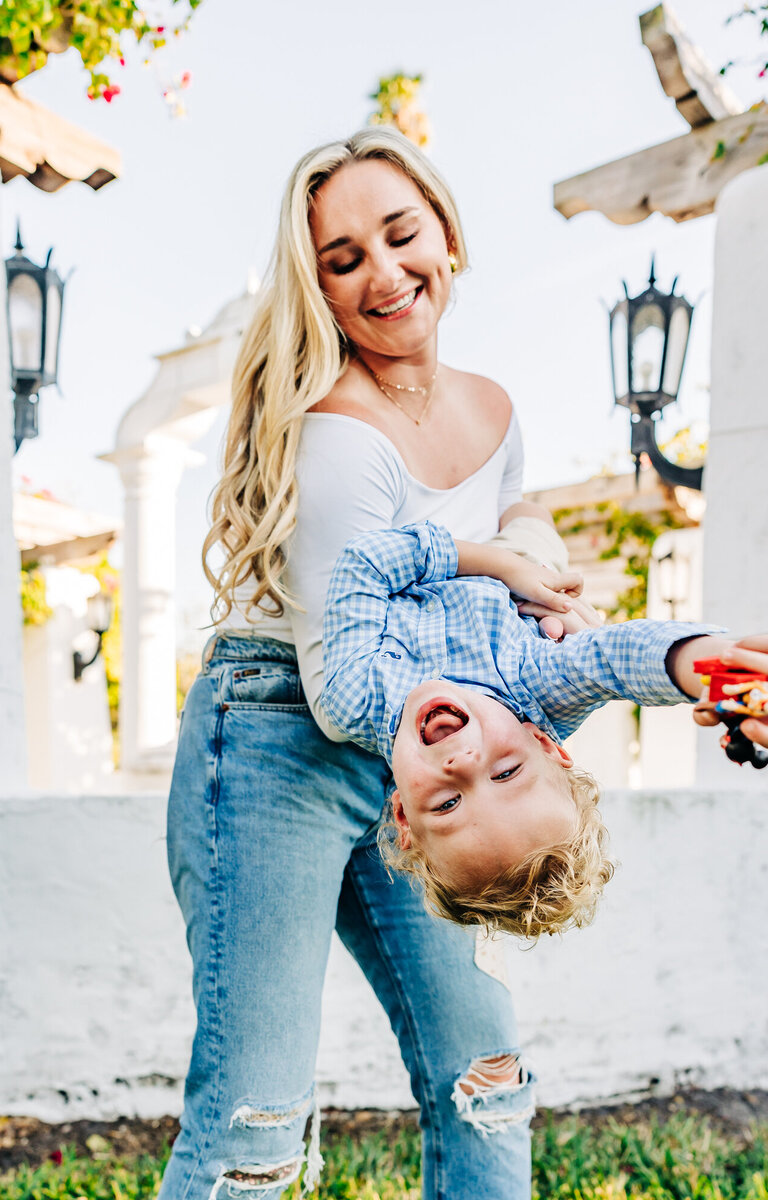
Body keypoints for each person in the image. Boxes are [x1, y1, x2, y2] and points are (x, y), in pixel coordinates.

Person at [161, 128, 588, 1200]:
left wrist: (537, 558)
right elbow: (350, 685)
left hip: (422, 749)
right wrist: (497, 597)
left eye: (400, 235)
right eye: (343, 259)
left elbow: (509, 505)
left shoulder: (491, 408)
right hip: (281, 738)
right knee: (254, 1118)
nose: (385, 274)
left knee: (485, 1075)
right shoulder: (336, 437)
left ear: (443, 231)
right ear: (320, 288)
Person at [320, 521, 734, 938]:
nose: (462, 764)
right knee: (528, 517)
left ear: (403, 814)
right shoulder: (538, 685)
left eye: (447, 803)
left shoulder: (355, 697)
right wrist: (720, 671)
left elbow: (367, 561)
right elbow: (618, 660)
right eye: (505, 774)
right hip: (522, 555)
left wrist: (502, 566)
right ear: (543, 743)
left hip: (479, 552)